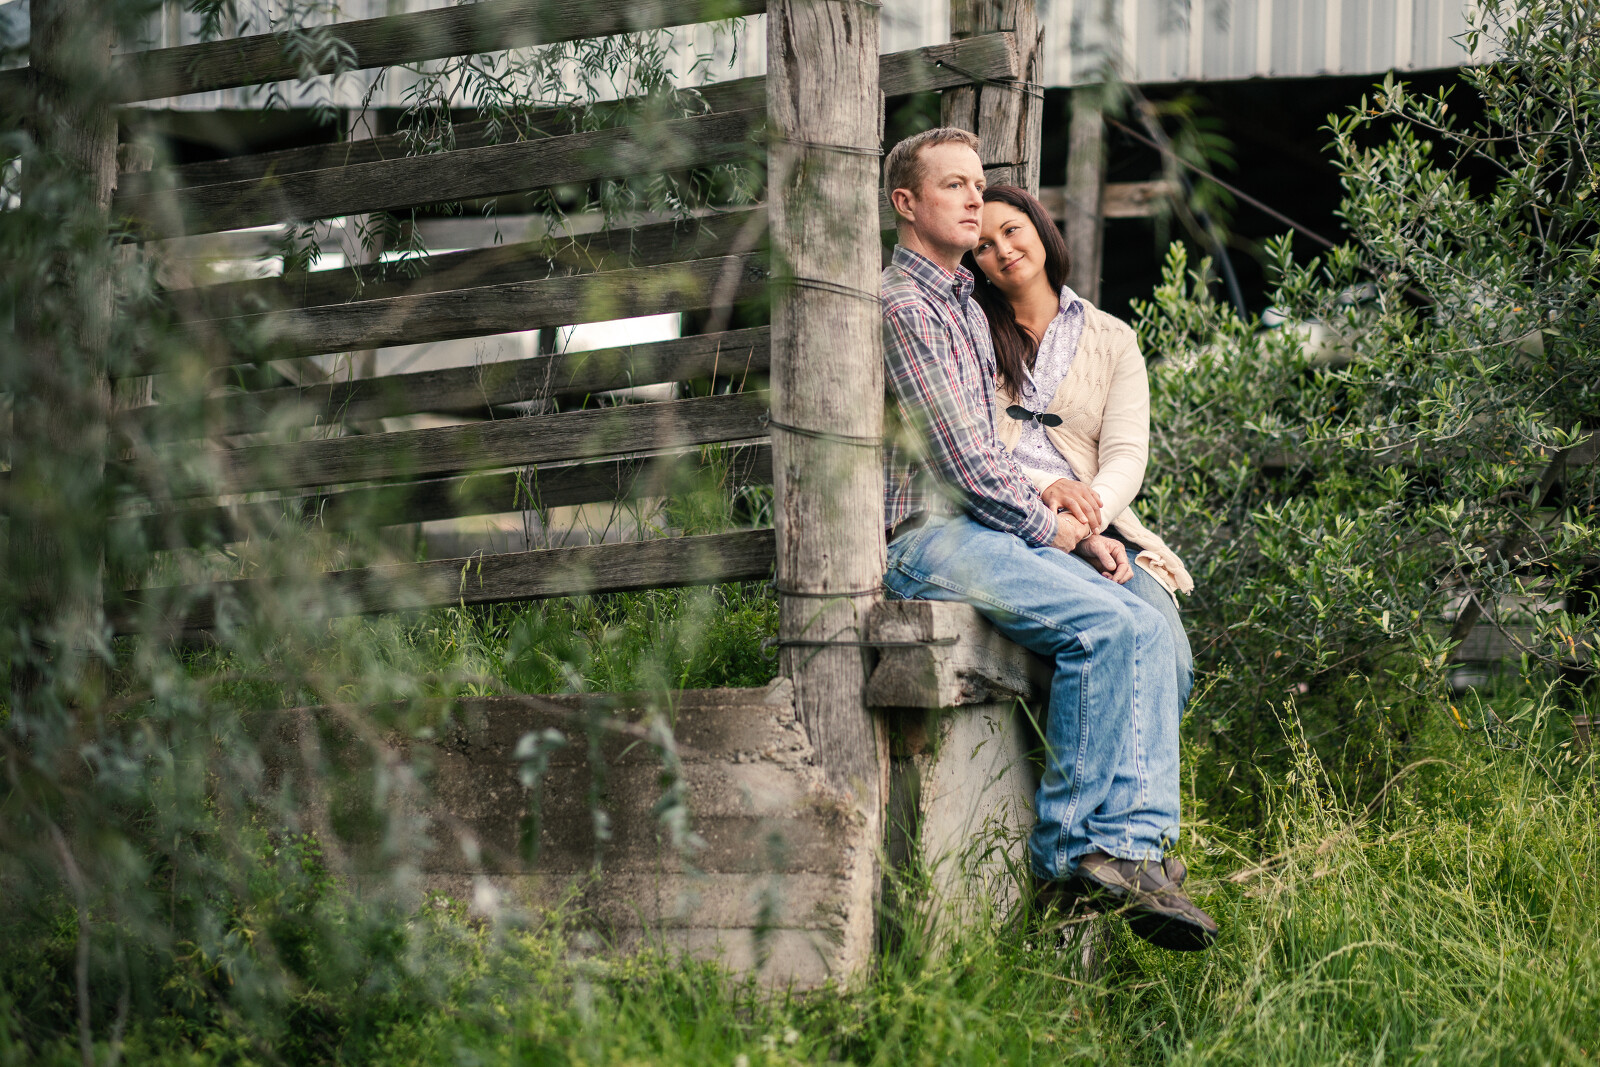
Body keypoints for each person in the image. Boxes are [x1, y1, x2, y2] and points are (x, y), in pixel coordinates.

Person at [878, 127, 1217, 951]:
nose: (974, 199)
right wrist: (1055, 528)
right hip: (926, 536)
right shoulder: (906, 307)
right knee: (1104, 625)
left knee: (1143, 624)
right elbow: (965, 461)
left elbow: (1001, 454)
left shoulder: (963, 304)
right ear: (906, 203)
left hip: (988, 523)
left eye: (979, 184)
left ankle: (1134, 849)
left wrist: (1080, 528)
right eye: (955, 186)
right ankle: (1074, 851)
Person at [964, 185, 1195, 711]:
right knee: (1099, 646)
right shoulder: (972, 329)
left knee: (1171, 660)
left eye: (1011, 230)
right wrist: (1048, 489)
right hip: (1004, 513)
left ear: (1041, 229)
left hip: (1099, 524)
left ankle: (1134, 768)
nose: (1003, 250)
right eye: (983, 246)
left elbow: (1126, 454)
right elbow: (970, 441)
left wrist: (1086, 521)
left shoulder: (1113, 338)